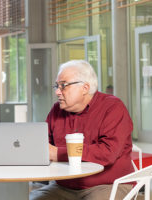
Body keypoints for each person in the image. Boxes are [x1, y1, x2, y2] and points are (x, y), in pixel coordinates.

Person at [30, 60, 134, 200]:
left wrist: (58, 153)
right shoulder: (56, 110)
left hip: (108, 185)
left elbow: (107, 153)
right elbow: (43, 146)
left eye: (63, 86)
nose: (57, 92)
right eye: (56, 86)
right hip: (64, 187)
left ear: (85, 88)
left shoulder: (113, 108)